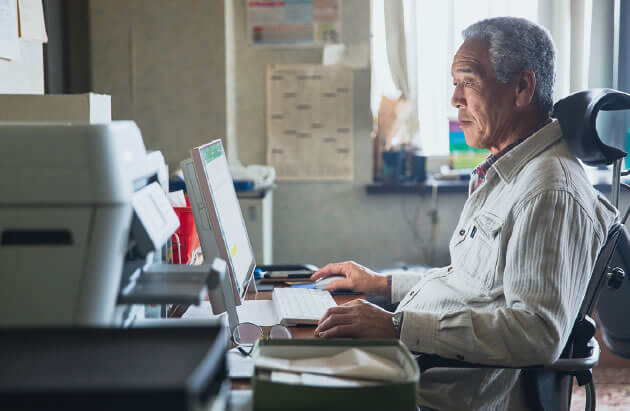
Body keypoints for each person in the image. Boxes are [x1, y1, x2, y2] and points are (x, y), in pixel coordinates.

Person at [311, 17, 618, 410]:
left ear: (522, 88)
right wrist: (383, 285)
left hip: (438, 395)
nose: (455, 98)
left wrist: (395, 327)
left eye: (468, 81)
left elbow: (536, 333)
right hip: (418, 368)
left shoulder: (549, 191)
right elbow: (470, 285)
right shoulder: (507, 173)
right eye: (455, 83)